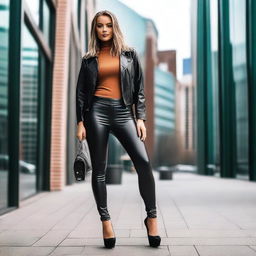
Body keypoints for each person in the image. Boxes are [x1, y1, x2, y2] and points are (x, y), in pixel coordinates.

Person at [76, 10, 161, 248]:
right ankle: (105, 221)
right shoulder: (88, 59)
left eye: (108, 25)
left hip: (124, 112)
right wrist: (80, 122)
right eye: (100, 26)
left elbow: (139, 89)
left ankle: (151, 217)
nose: (104, 29)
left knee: (143, 163)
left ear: (115, 28)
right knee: (99, 170)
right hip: (96, 113)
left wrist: (140, 118)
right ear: (95, 29)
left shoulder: (130, 55)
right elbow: (81, 93)